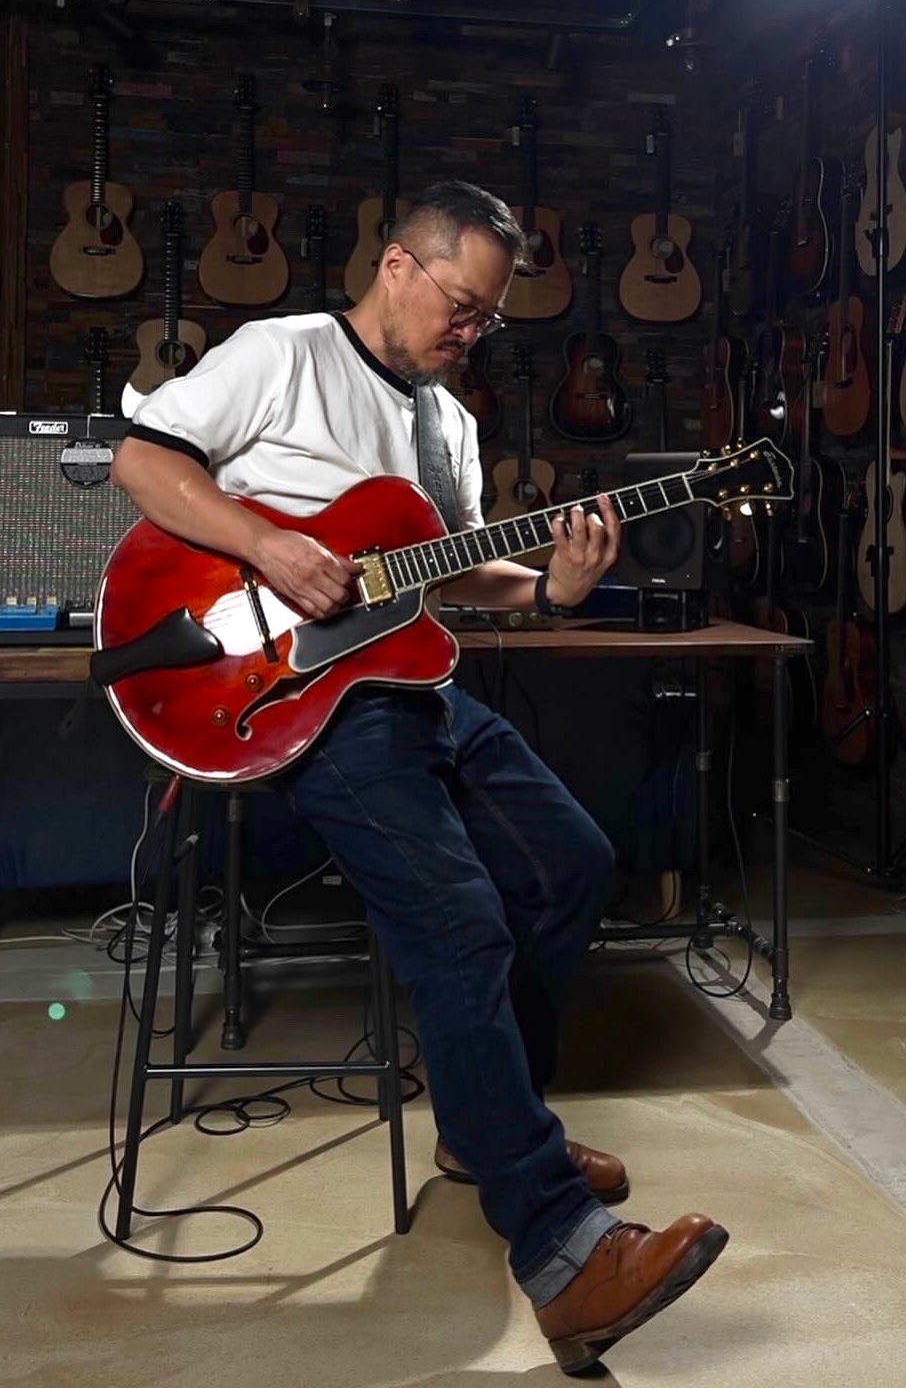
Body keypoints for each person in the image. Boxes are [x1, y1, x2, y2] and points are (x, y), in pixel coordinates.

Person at [110, 180, 727, 1373]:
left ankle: (487, 1130)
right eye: (463, 306)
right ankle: (563, 1251)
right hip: (299, 700)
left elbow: (448, 572)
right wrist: (269, 543)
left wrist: (550, 586)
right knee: (458, 922)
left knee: (572, 865)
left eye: (490, 319)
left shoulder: (447, 424)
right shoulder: (284, 355)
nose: (473, 332)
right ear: (397, 266)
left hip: (417, 686)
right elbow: (142, 461)